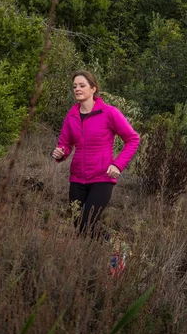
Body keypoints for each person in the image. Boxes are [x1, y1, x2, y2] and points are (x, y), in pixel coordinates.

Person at [52, 69, 140, 240]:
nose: (77, 89)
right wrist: (60, 153)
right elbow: (65, 144)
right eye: (75, 86)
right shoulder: (71, 116)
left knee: (87, 222)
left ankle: (116, 253)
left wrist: (117, 164)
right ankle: (103, 257)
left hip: (102, 178)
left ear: (93, 89)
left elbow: (132, 139)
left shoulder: (109, 112)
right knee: (80, 226)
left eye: (82, 85)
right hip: (77, 178)